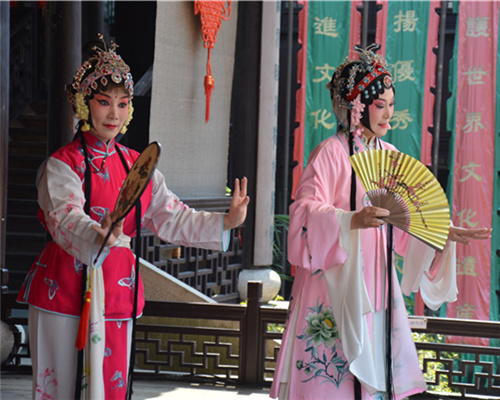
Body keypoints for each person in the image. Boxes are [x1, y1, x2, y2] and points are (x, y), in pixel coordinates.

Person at [17, 37, 249, 400]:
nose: (114, 114)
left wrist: (225, 222)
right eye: (104, 102)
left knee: (112, 388)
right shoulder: (63, 164)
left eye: (123, 104)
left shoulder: (137, 166)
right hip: (61, 288)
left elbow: (171, 217)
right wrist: (99, 233)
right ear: (83, 104)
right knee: (57, 390)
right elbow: (64, 217)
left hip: (117, 288)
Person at [270, 45, 491, 400]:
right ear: (356, 107)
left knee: (375, 381)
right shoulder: (331, 153)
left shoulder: (390, 158)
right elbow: (303, 213)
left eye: (391, 103)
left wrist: (440, 232)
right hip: (333, 283)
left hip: (377, 284)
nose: (389, 113)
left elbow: (408, 221)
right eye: (380, 105)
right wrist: (350, 220)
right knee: (332, 381)